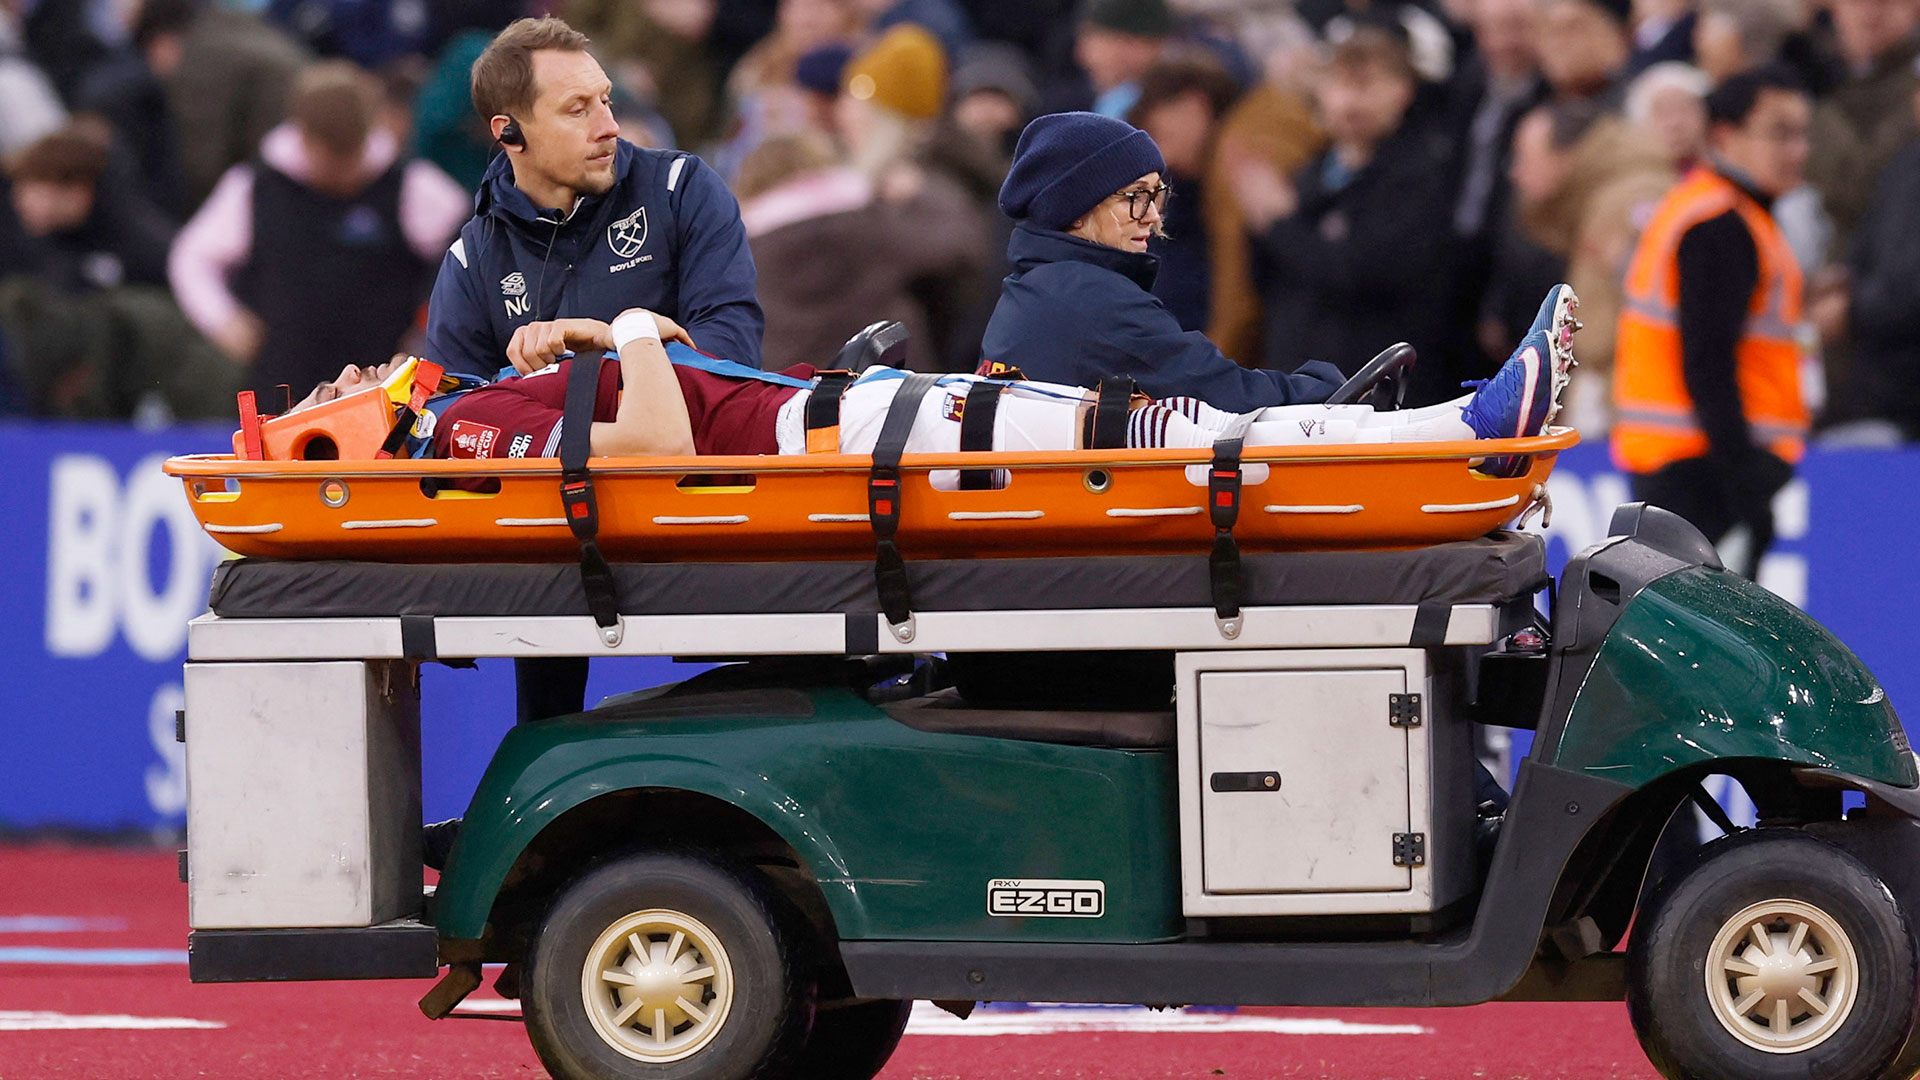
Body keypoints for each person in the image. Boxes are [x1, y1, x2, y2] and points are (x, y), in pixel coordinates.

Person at [288, 282, 1579, 466]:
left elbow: (652, 394)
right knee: (1170, 438)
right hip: (836, 440)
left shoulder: (468, 413)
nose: (347, 369)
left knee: (1165, 426)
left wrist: (601, 342)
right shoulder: (456, 441)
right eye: (323, 389)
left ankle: (1453, 423)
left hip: (843, 418)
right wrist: (626, 329)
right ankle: (1462, 427)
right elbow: (653, 448)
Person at [425, 17, 764, 380]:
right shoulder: (473, 259)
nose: (609, 127)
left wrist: (615, 342)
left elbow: (732, 355)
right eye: (578, 110)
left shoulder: (681, 188)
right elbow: (457, 407)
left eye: (606, 101)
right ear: (509, 132)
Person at [979, 110, 1343, 411]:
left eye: (1156, 194)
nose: (1153, 216)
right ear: (1074, 209)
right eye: (1136, 196)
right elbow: (1222, 393)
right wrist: (1330, 389)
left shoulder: (1032, 287)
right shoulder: (1092, 297)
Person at [1612, 65, 1813, 578]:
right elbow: (1708, 361)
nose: (1798, 151)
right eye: (1780, 133)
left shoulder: (1706, 207)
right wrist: (1746, 486)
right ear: (1725, 136)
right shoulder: (1721, 224)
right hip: (1704, 471)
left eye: (1802, 134)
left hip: (1682, 463)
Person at [169, 60, 469, 403]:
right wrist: (224, 320)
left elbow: (465, 254)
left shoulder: (409, 184)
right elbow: (192, 258)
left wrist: (425, 328)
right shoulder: (255, 187)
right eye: (331, 158)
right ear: (305, 137)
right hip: (283, 389)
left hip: (386, 398)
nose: (343, 172)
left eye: (350, 156)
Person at [1235, 24, 1458, 403]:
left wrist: (1279, 223)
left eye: (1366, 84)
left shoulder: (1423, 175)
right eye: (1339, 84)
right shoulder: (1310, 173)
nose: (1350, 101)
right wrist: (1259, 226)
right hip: (1299, 380)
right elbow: (1269, 280)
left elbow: (1362, 272)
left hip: (1378, 393)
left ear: (1403, 90)